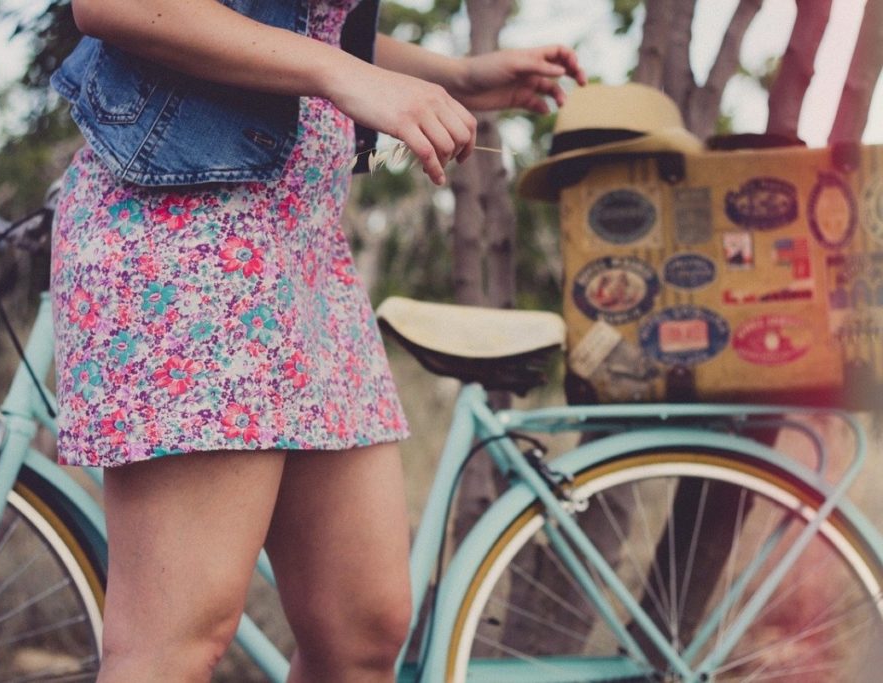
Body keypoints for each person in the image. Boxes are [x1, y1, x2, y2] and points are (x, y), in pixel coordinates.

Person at [48, 0, 586, 680]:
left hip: (303, 247)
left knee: (362, 629)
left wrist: (458, 75)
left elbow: (302, 24)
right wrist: (344, 76)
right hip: (188, 235)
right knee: (177, 636)